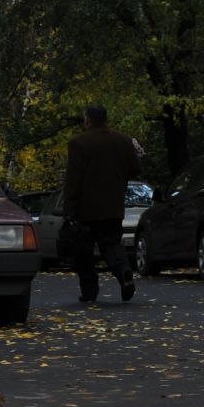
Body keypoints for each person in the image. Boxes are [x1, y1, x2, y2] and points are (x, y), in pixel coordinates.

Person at [62, 104, 139, 303]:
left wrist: (69, 209)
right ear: (105, 119)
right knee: (112, 244)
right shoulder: (123, 141)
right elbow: (134, 169)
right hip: (113, 206)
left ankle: (89, 291)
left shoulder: (78, 143)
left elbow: (73, 180)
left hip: (85, 210)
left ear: (88, 120)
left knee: (83, 252)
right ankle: (124, 271)